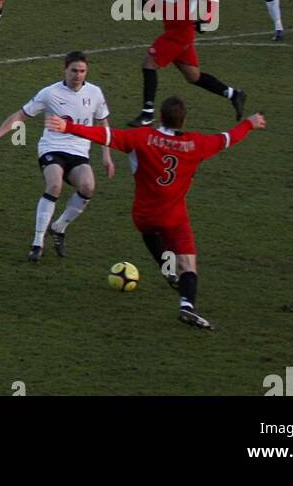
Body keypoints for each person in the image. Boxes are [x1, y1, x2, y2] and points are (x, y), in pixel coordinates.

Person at [48, 96, 266, 330]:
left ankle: (167, 271)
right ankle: (186, 306)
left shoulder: (141, 137)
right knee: (188, 265)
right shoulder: (198, 143)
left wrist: (68, 126)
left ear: (160, 117)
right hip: (174, 216)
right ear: (184, 120)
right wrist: (249, 123)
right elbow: (227, 138)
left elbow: (105, 136)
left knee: (152, 234)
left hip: (144, 216)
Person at [0, 50, 115, 262]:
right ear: (64, 70)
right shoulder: (50, 93)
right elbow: (21, 114)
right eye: (74, 71)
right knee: (54, 185)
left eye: (82, 71)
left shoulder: (95, 93)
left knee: (88, 186)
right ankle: (38, 242)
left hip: (79, 151)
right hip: (52, 148)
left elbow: (103, 125)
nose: (78, 75)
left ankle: (59, 227)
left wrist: (106, 156)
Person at [130, 0, 245, 125]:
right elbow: (155, 5)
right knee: (193, 76)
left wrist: (206, 19)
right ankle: (234, 94)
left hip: (181, 34)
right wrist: (145, 3)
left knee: (149, 63)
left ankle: (147, 114)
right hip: (172, 32)